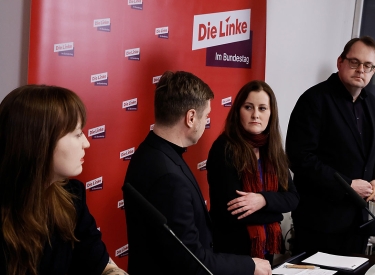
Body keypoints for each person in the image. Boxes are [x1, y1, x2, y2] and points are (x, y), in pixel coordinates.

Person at [123, 71, 272, 275]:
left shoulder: (150, 152)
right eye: (206, 116)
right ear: (191, 117)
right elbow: (191, 261)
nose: (206, 123)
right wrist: (250, 265)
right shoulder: (168, 176)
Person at [0, 85, 127, 275]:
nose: (86, 143)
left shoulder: (72, 195)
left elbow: (98, 261)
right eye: (77, 134)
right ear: (40, 143)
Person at [286, 36, 375, 255]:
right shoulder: (314, 99)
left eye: (368, 66)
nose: (361, 70)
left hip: (358, 224)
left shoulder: (372, 104)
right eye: (355, 62)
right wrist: (348, 185)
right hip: (320, 222)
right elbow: (300, 158)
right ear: (340, 62)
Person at [206, 80, 299, 264]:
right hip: (232, 252)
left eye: (262, 108)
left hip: (266, 252)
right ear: (238, 111)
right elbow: (235, 211)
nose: (255, 115)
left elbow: (293, 198)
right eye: (249, 107)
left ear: (271, 113)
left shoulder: (272, 149)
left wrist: (262, 200)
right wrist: (276, 213)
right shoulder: (224, 148)